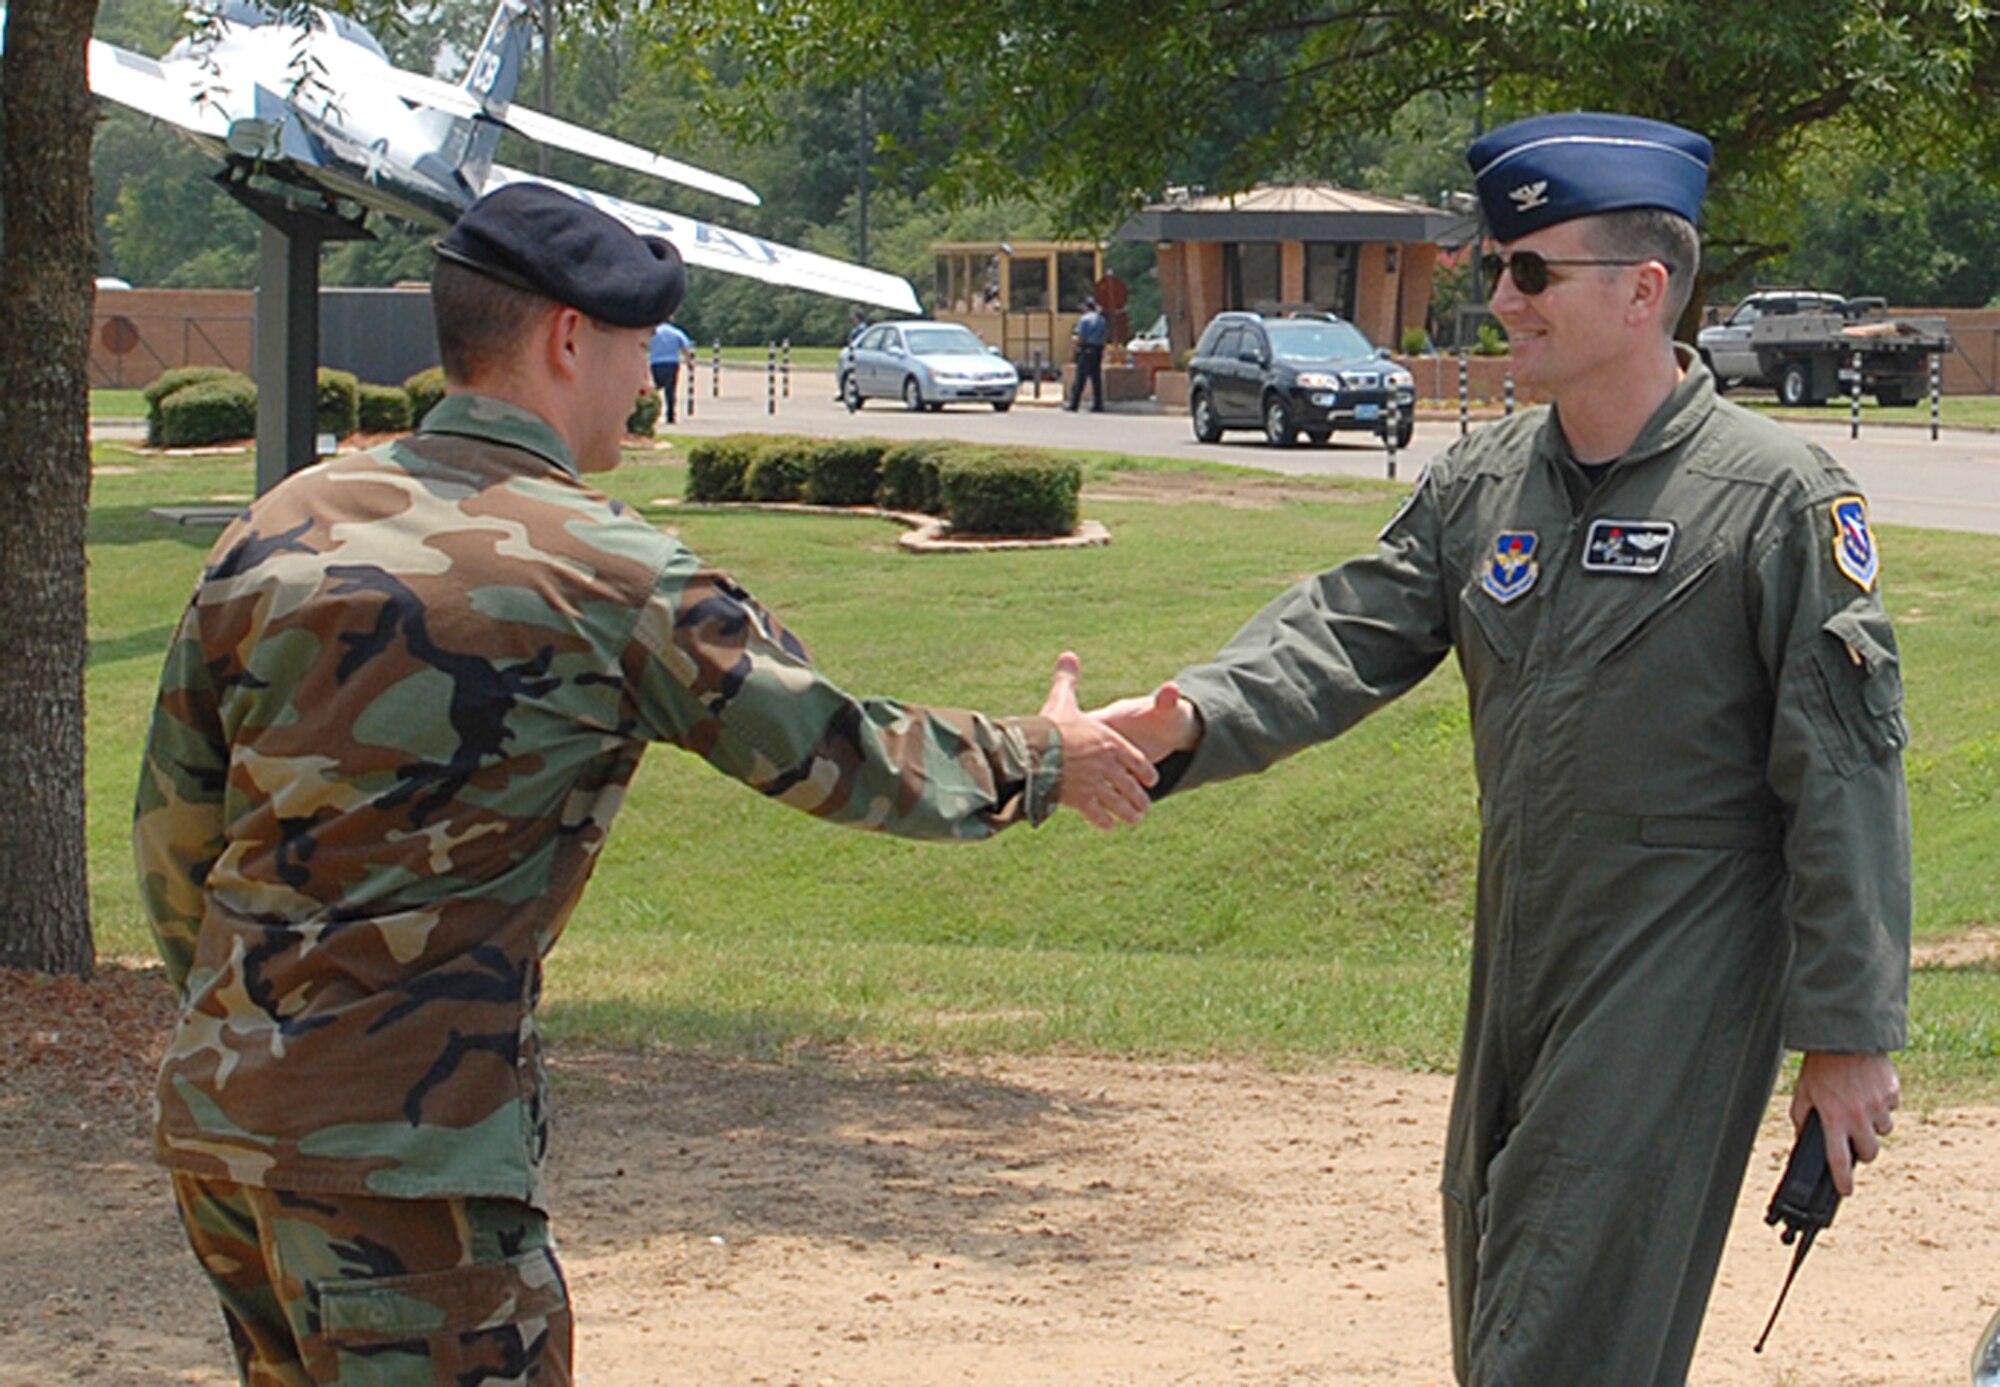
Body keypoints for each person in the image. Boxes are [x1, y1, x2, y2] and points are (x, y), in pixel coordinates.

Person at [133, 182, 1158, 1387]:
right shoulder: (607, 571)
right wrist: (1047, 756)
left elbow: (176, 844)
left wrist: (262, 1030)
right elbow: (833, 747)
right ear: (568, 338)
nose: (648, 373)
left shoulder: (277, 526)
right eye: (636, 343)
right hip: (406, 1169)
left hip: (221, 1139)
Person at [1092, 112, 1909, 1385]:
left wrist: (1847, 1034)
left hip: (1674, 969)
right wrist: (1184, 715)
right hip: (1518, 956)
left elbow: (1846, 774)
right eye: (1491, 265)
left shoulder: (1772, 501)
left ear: (1642, 293)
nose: (1496, 298)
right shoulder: (1486, 482)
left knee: (1554, 1329)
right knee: (1500, 1282)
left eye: (1530, 270)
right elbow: (1344, 627)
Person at [1064, 295, 1107, 412]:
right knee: (1096, 379)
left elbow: (1080, 336)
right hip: (1097, 350)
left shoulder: (1085, 319)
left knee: (1080, 378)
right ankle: (1098, 404)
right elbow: (1103, 337)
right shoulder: (1101, 319)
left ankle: (1074, 404)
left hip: (1086, 349)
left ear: (1086, 307)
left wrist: (1074, 349)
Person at [647, 314, 692, 424]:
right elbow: (686, 348)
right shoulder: (676, 332)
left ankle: (651, 413)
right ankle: (671, 415)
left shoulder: (653, 332)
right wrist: (689, 362)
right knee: (670, 390)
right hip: (671, 363)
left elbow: (645, 345)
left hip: (656, 363)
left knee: (652, 389)